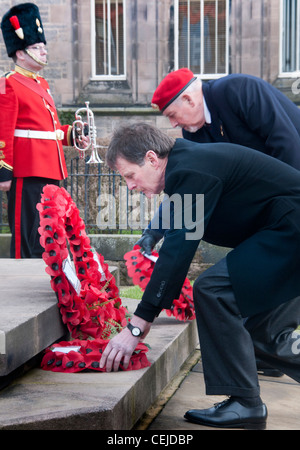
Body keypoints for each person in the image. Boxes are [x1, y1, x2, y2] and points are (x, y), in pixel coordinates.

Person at [101, 122, 300, 429]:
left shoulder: (190, 170)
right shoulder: (187, 164)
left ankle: (245, 404)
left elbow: (179, 250)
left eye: (129, 175)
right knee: (263, 336)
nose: (130, 185)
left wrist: (138, 325)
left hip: (292, 231)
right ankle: (244, 403)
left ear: (152, 159)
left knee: (212, 289)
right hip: (287, 233)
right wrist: (152, 234)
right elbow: (178, 211)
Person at [139, 68, 300, 377]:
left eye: (173, 114)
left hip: (289, 209)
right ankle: (265, 359)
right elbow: (188, 192)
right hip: (273, 218)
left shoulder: (239, 90)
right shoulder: (195, 133)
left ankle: (257, 372)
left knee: (262, 316)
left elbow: (287, 145)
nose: (173, 124)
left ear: (188, 98)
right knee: (258, 327)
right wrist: (155, 230)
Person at [0, 3, 86, 258]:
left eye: (44, 47)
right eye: (37, 48)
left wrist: (73, 134)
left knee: (49, 234)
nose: (44, 52)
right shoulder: (8, 84)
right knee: (28, 234)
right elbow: (3, 131)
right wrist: (4, 171)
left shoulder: (41, 84)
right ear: (20, 54)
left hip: (49, 167)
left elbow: (47, 128)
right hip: (26, 170)